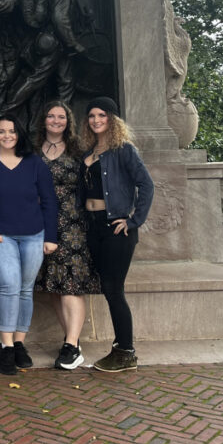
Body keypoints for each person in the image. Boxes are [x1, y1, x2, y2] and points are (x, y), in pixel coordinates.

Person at [0, 114, 57, 375]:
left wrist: (50, 236)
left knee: (25, 289)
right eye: (1, 132)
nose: (7, 136)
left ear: (20, 133)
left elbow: (49, 201)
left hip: (33, 235)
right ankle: (5, 348)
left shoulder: (35, 164)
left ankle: (19, 343)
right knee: (9, 284)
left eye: (12, 131)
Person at [79, 97, 154, 373]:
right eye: (91, 116)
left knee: (114, 290)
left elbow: (146, 185)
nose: (96, 120)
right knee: (108, 289)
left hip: (115, 228)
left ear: (112, 119)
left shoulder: (123, 150)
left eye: (102, 115)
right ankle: (121, 347)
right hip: (93, 225)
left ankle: (126, 351)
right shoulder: (90, 149)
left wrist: (134, 220)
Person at [35, 101, 100, 371]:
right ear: (44, 120)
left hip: (73, 225)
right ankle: (70, 340)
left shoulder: (79, 150)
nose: (56, 120)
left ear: (68, 121)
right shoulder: (31, 151)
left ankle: (72, 345)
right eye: (51, 116)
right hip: (40, 223)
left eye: (61, 116)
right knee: (53, 286)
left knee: (72, 284)